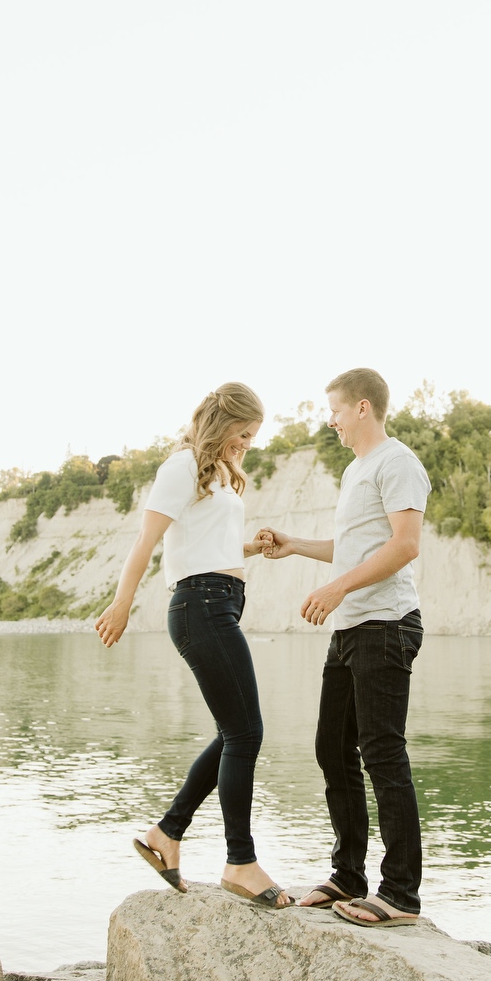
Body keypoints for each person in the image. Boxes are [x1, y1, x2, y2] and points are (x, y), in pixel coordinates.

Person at [95, 382, 295, 909]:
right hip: (199, 606)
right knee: (245, 732)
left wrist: (252, 547)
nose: (248, 443)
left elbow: (208, 542)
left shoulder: (219, 474)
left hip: (220, 602)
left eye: (254, 435)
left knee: (236, 732)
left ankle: (166, 836)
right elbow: (147, 541)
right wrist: (122, 604)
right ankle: (240, 862)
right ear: (222, 422)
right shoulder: (180, 467)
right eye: (244, 433)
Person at [256, 367, 430, 928]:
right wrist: (295, 546)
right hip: (352, 628)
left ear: (361, 407)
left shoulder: (397, 462)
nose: (328, 419)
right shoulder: (359, 468)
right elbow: (354, 545)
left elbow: (404, 547)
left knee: (383, 753)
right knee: (333, 749)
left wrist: (336, 588)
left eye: (333, 409)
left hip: (385, 625)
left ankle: (400, 894)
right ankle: (347, 877)